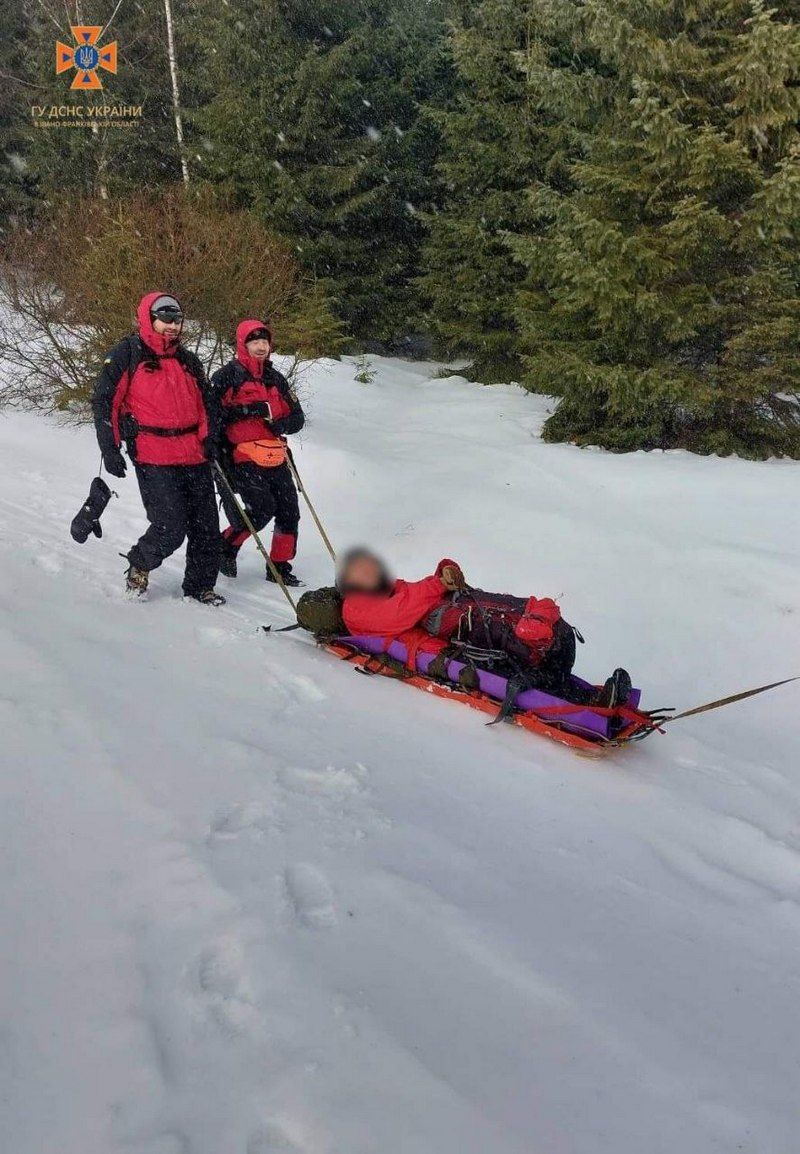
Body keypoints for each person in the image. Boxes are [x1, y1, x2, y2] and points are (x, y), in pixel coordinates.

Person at [335, 548, 633, 707]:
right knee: (506, 660)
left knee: (503, 620)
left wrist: (445, 573)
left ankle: (561, 665)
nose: (374, 573)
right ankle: (585, 703)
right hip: (443, 647)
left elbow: (415, 592)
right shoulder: (355, 608)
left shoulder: (389, 588)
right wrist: (437, 584)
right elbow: (398, 615)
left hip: (452, 630)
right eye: (365, 572)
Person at [91, 291, 225, 605]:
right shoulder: (128, 353)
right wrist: (110, 447)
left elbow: (206, 405)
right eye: (165, 319)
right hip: (153, 455)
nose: (172, 326)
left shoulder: (188, 360)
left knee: (207, 527)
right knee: (171, 526)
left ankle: (200, 586)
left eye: (177, 320)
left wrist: (209, 437)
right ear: (149, 319)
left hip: (193, 453)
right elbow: (104, 401)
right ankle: (140, 562)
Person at [211, 319, 305, 586]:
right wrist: (248, 412)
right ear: (243, 344)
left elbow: (297, 418)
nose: (261, 347)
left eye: (265, 342)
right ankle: (226, 545)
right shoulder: (226, 377)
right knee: (262, 509)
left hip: (274, 453)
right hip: (241, 456)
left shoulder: (275, 378)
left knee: (289, 510)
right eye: (255, 342)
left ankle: (279, 566)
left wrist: (279, 423)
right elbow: (212, 416)